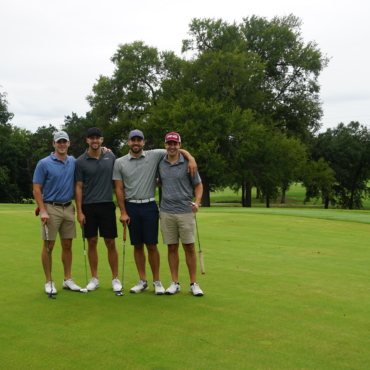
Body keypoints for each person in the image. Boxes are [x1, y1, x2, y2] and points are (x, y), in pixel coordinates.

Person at [113, 129, 197, 295]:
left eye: (139, 140)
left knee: (152, 245)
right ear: (128, 142)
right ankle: (142, 280)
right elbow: (119, 189)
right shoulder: (119, 162)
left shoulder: (154, 154)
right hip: (131, 207)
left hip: (150, 206)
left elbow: (176, 149)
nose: (136, 143)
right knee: (137, 245)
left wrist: (191, 158)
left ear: (144, 142)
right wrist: (123, 211)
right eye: (133, 140)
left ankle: (157, 281)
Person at [33, 131, 82, 295]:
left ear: (68, 143)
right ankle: (49, 281)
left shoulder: (73, 161)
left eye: (64, 141)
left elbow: (90, 157)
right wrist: (43, 211)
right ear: (53, 144)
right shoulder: (44, 163)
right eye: (58, 142)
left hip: (68, 207)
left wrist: (104, 149)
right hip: (50, 207)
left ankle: (67, 279)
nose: (62, 144)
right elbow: (36, 189)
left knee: (67, 245)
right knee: (49, 245)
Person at [75, 127, 122, 293]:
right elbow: (78, 187)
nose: (94, 141)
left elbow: (117, 182)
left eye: (97, 138)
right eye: (91, 138)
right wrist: (79, 211)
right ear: (87, 140)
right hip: (88, 206)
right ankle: (94, 278)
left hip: (107, 204)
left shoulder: (111, 156)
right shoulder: (80, 161)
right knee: (92, 241)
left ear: (102, 140)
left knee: (110, 242)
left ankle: (115, 278)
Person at [158, 132, 204, 296]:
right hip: (166, 211)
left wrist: (197, 203)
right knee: (172, 247)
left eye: (175, 144)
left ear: (179, 145)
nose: (172, 147)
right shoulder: (160, 162)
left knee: (189, 247)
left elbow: (198, 185)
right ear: (165, 145)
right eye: (169, 144)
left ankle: (193, 283)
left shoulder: (188, 163)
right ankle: (175, 282)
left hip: (185, 211)